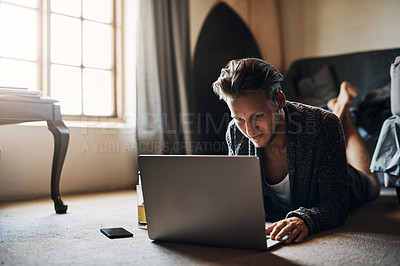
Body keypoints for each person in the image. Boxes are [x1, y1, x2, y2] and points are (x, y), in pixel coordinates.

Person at [212, 58, 381, 245]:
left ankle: (344, 108)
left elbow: (336, 203)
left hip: (352, 181)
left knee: (372, 182)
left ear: (280, 100)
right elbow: (239, 197)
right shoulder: (235, 132)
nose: (250, 131)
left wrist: (305, 220)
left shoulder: (324, 124)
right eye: (239, 119)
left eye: (258, 116)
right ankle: (340, 107)